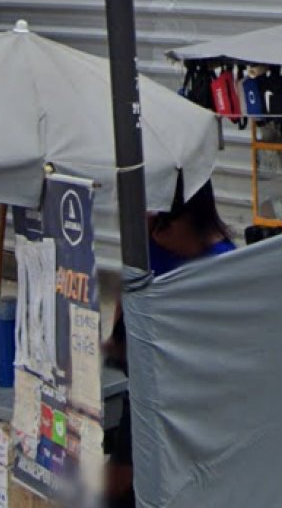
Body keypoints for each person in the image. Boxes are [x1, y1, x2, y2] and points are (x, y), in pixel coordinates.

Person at [105, 181, 235, 508]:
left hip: (188, 394)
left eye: (167, 221)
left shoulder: (224, 265)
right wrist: (116, 342)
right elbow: (128, 292)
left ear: (190, 216)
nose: (158, 225)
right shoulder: (149, 236)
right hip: (144, 379)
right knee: (119, 479)